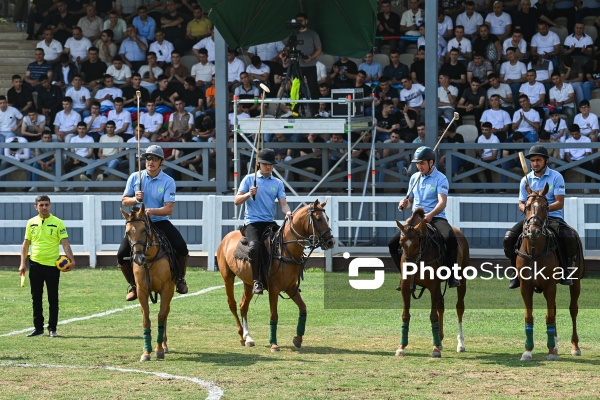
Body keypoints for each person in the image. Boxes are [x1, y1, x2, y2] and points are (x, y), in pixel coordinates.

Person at [117, 145, 189, 301]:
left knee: (181, 247)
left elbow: (168, 209)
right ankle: (133, 285)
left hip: (159, 221)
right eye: (148, 158)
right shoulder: (135, 177)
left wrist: (152, 211)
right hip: (138, 224)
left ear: (161, 161)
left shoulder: (168, 181)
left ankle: (180, 279)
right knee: (121, 254)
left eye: (155, 159)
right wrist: (135, 199)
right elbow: (124, 200)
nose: (151, 162)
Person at [503, 144, 580, 289]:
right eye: (532, 160)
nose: (535, 163)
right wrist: (530, 210)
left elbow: (559, 202)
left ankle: (565, 271)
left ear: (546, 161)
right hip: (531, 219)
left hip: (552, 217)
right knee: (509, 238)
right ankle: (515, 272)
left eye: (538, 160)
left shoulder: (556, 177)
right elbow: (520, 203)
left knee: (568, 237)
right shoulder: (525, 180)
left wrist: (542, 210)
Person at [388, 146, 461, 288]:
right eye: (417, 163)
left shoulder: (441, 179)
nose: (419, 166)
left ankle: (452, 276)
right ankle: (404, 276)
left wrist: (430, 215)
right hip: (415, 220)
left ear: (431, 163)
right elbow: (410, 202)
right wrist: (403, 204)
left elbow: (442, 202)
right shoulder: (414, 178)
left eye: (422, 163)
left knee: (451, 239)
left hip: (436, 217)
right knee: (392, 243)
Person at [234, 148, 292, 294]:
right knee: (254, 247)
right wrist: (249, 193)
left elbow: (283, 204)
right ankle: (256, 281)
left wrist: (288, 212)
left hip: (269, 222)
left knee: (284, 243)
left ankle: (285, 279)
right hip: (252, 222)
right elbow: (236, 200)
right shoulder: (248, 179)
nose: (269, 167)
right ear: (259, 163)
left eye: (271, 164)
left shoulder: (277, 183)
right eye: (266, 164)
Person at [19, 195, 75, 337]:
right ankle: (38, 328)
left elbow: (65, 243)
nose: (44, 207)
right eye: (41, 205)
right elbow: (26, 244)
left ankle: (52, 329)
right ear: (36, 207)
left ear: (50, 206)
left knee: (53, 298)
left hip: (52, 266)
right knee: (36, 297)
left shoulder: (58, 223)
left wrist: (72, 259)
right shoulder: (31, 223)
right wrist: (22, 263)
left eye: (46, 204)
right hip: (35, 264)